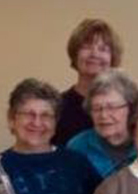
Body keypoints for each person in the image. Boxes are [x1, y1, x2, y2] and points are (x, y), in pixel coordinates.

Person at [52, 18, 124, 147]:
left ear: (112, 58)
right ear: (75, 54)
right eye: (86, 47)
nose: (94, 54)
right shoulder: (56, 106)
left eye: (103, 49)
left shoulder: (128, 107)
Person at [66, 69, 138, 179]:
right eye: (97, 108)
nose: (103, 115)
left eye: (112, 107)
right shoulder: (78, 147)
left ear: (131, 108)